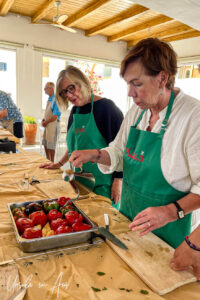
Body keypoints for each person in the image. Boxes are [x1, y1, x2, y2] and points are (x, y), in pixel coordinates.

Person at [68, 38, 200, 249]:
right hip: (129, 220)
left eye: (137, 84)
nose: (130, 93)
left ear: (162, 78)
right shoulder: (137, 112)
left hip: (170, 233)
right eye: (128, 84)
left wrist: (169, 211)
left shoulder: (193, 116)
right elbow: (118, 152)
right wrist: (95, 154)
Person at [40, 66, 124, 207]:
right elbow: (74, 147)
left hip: (103, 185)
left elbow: (122, 150)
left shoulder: (107, 109)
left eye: (71, 88)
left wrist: (118, 181)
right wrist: (58, 164)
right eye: (64, 92)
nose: (69, 95)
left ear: (82, 82)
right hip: (80, 182)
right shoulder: (75, 110)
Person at [42, 82, 61, 162]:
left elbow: (55, 116)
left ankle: (52, 162)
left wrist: (46, 122)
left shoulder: (55, 100)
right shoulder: (49, 99)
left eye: (46, 88)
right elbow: (48, 113)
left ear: (51, 88)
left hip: (53, 125)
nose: (44, 90)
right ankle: (47, 160)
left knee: (51, 145)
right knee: (45, 143)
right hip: (48, 125)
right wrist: (44, 120)